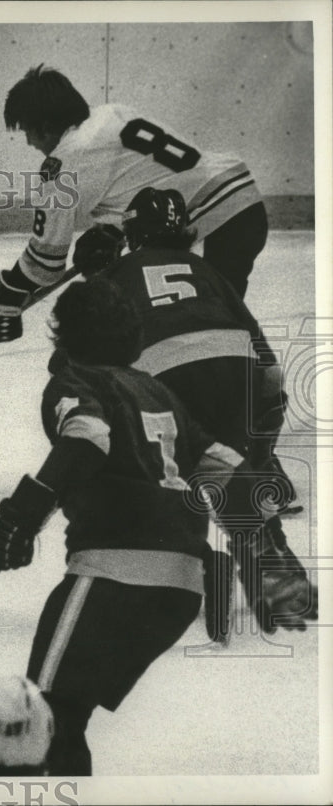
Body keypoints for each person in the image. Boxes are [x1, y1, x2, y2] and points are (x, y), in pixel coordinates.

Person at [0, 280, 313, 776]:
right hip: (179, 588)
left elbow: (87, 439)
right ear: (135, 341)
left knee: (44, 721)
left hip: (113, 578)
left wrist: (19, 518)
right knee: (64, 716)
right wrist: (268, 558)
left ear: (62, 340)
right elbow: (223, 468)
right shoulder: (159, 392)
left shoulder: (76, 382)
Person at [71, 187, 315, 640]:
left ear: (133, 233)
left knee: (165, 478)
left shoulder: (117, 272)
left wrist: (91, 274)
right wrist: (260, 449)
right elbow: (264, 359)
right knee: (235, 477)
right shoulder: (206, 268)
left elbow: (87, 344)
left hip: (166, 378)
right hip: (237, 369)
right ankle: (276, 571)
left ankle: (203, 562)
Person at [0, 65, 266, 346]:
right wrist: (114, 229)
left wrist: (6, 294)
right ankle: (263, 386)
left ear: (44, 126)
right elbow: (142, 176)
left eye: (27, 131)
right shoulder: (111, 113)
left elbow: (46, 262)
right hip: (240, 201)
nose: (29, 142)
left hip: (221, 221)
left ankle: (256, 387)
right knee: (224, 319)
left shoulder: (66, 161)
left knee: (214, 329)